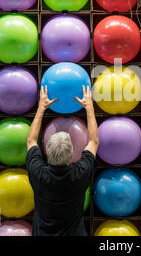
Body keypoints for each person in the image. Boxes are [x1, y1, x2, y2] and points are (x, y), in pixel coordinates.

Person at [26, 85, 98, 236]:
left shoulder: (39, 174)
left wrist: (41, 108)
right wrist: (89, 107)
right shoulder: (80, 174)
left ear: (47, 151)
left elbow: (31, 140)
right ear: (72, 153)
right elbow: (93, 142)